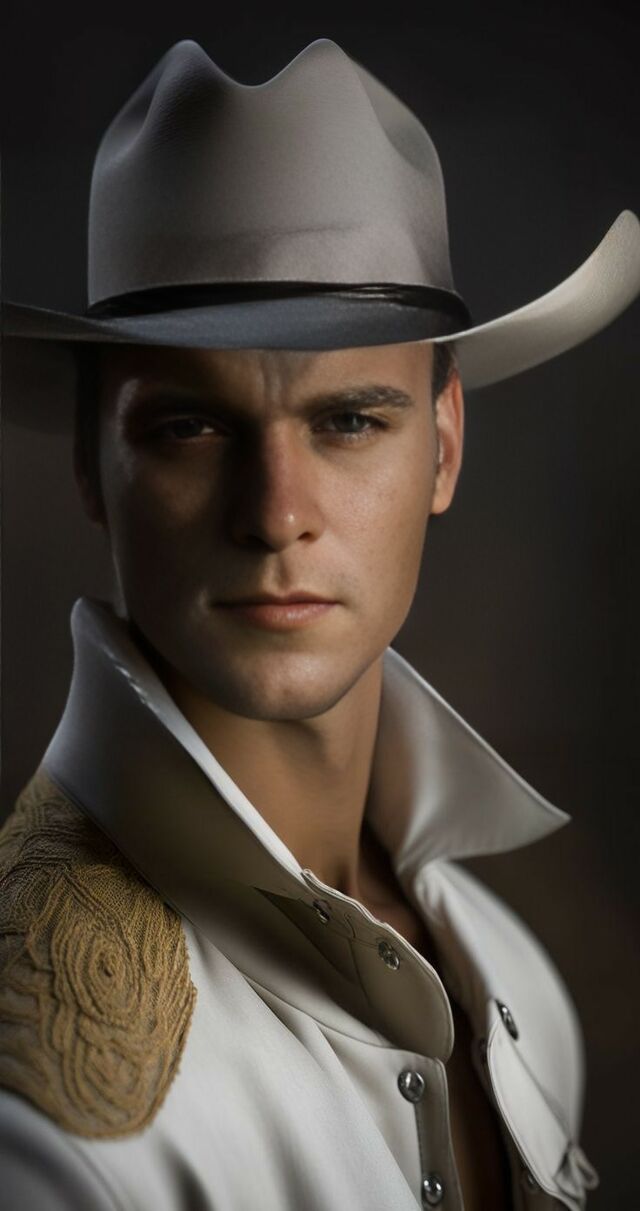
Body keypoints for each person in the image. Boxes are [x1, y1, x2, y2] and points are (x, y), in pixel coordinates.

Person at [1, 36, 638, 1211]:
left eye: (348, 420)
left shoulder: (514, 981)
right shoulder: (41, 1118)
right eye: (189, 427)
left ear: (443, 445)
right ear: (92, 465)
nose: (275, 512)